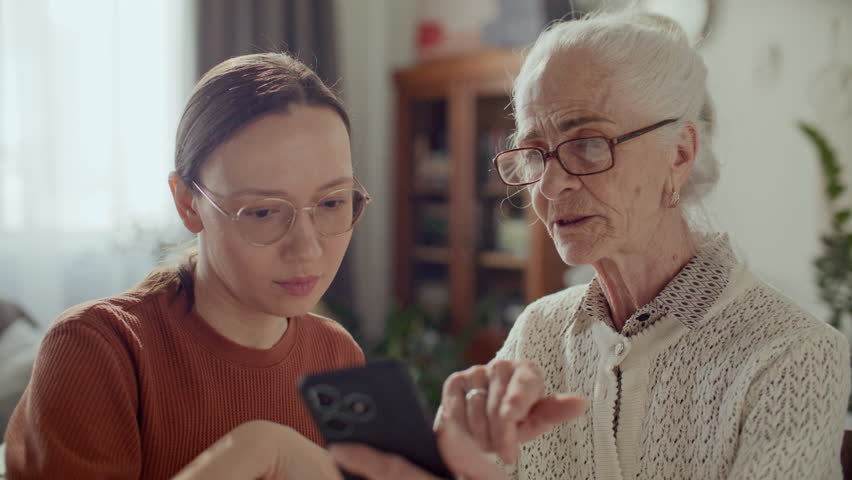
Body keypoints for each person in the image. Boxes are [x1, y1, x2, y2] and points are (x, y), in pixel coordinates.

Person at [336, 10, 852, 480]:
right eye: (535, 153)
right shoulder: (539, 330)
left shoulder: (795, 355)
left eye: (586, 144)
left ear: (679, 153)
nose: (549, 185)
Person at [4, 52, 371, 479]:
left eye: (331, 203)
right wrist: (256, 451)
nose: (307, 249)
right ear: (187, 203)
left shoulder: (338, 357)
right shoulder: (98, 350)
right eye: (263, 212)